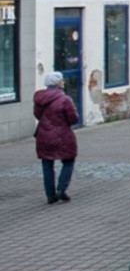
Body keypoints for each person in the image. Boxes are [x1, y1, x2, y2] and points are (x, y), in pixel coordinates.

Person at [34, 72, 78, 204]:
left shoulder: (39, 99)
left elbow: (37, 115)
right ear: (57, 83)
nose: (63, 82)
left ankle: (50, 195)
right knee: (68, 161)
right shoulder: (65, 99)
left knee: (47, 165)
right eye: (61, 80)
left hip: (43, 135)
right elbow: (73, 118)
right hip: (62, 135)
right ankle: (61, 189)